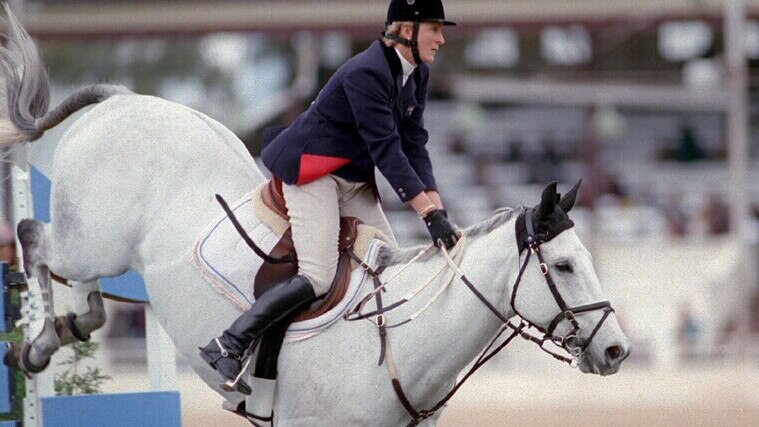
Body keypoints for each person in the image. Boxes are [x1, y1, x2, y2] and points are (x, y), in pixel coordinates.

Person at [200, 0, 459, 392]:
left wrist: (438, 211)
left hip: (353, 176)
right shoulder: (367, 72)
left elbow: (414, 143)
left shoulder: (417, 72)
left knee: (386, 267)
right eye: (434, 29)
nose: (441, 39)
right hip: (313, 172)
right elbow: (388, 150)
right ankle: (230, 342)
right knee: (318, 276)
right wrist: (425, 214)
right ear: (407, 30)